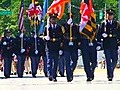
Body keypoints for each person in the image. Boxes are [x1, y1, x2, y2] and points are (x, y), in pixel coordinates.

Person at [98, 9, 120, 81]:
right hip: (106, 44)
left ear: (113, 16)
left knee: (115, 59)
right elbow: (99, 33)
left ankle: (111, 70)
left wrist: (119, 44)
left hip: (114, 44)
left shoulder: (116, 24)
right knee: (108, 59)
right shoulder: (104, 24)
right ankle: (110, 75)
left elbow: (119, 34)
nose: (109, 16)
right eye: (108, 15)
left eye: (111, 15)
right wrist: (102, 35)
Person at [43, 13, 63, 82]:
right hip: (49, 46)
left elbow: (61, 37)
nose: (54, 20)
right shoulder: (47, 27)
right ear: (50, 20)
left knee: (56, 62)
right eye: (52, 19)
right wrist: (46, 37)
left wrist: (61, 48)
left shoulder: (59, 27)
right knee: (49, 61)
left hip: (56, 47)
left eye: (55, 19)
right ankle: (50, 75)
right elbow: (43, 36)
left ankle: (54, 76)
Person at [62, 13, 80, 82]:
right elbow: (63, 33)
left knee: (75, 60)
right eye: (70, 18)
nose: (71, 19)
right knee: (67, 61)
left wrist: (78, 46)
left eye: (72, 18)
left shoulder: (76, 26)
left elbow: (78, 36)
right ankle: (69, 76)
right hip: (66, 45)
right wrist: (67, 24)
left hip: (74, 46)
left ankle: (70, 71)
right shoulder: (64, 26)